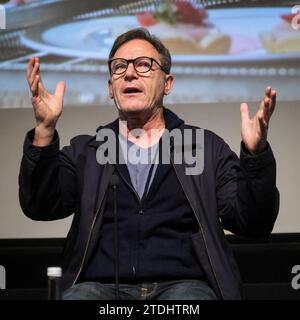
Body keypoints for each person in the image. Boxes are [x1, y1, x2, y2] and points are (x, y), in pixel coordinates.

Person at [19, 28, 279, 300]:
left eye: (143, 65)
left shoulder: (204, 148)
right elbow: (40, 205)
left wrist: (255, 154)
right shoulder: (87, 151)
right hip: (99, 289)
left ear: (167, 83)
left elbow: (253, 224)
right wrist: (45, 129)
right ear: (111, 88)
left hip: (184, 287)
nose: (129, 73)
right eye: (119, 67)